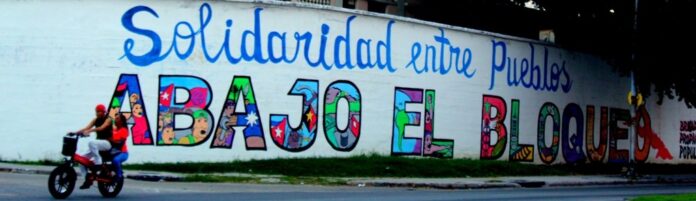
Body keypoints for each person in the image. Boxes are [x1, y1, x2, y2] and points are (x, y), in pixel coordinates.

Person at [76, 104, 113, 189]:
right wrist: (75, 132)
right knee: (81, 160)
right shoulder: (95, 120)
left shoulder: (108, 119)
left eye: (100, 111)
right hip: (98, 144)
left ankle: (98, 163)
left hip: (107, 143)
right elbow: (86, 128)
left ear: (104, 112)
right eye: (97, 111)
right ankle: (87, 179)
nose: (98, 113)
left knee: (91, 142)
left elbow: (102, 128)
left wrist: (91, 130)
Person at [110, 113, 130, 181]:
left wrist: (110, 139)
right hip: (113, 151)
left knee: (116, 160)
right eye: (115, 118)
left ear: (121, 121)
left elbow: (119, 143)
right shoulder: (114, 130)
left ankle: (119, 175)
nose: (115, 120)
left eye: (117, 118)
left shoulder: (124, 130)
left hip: (123, 153)